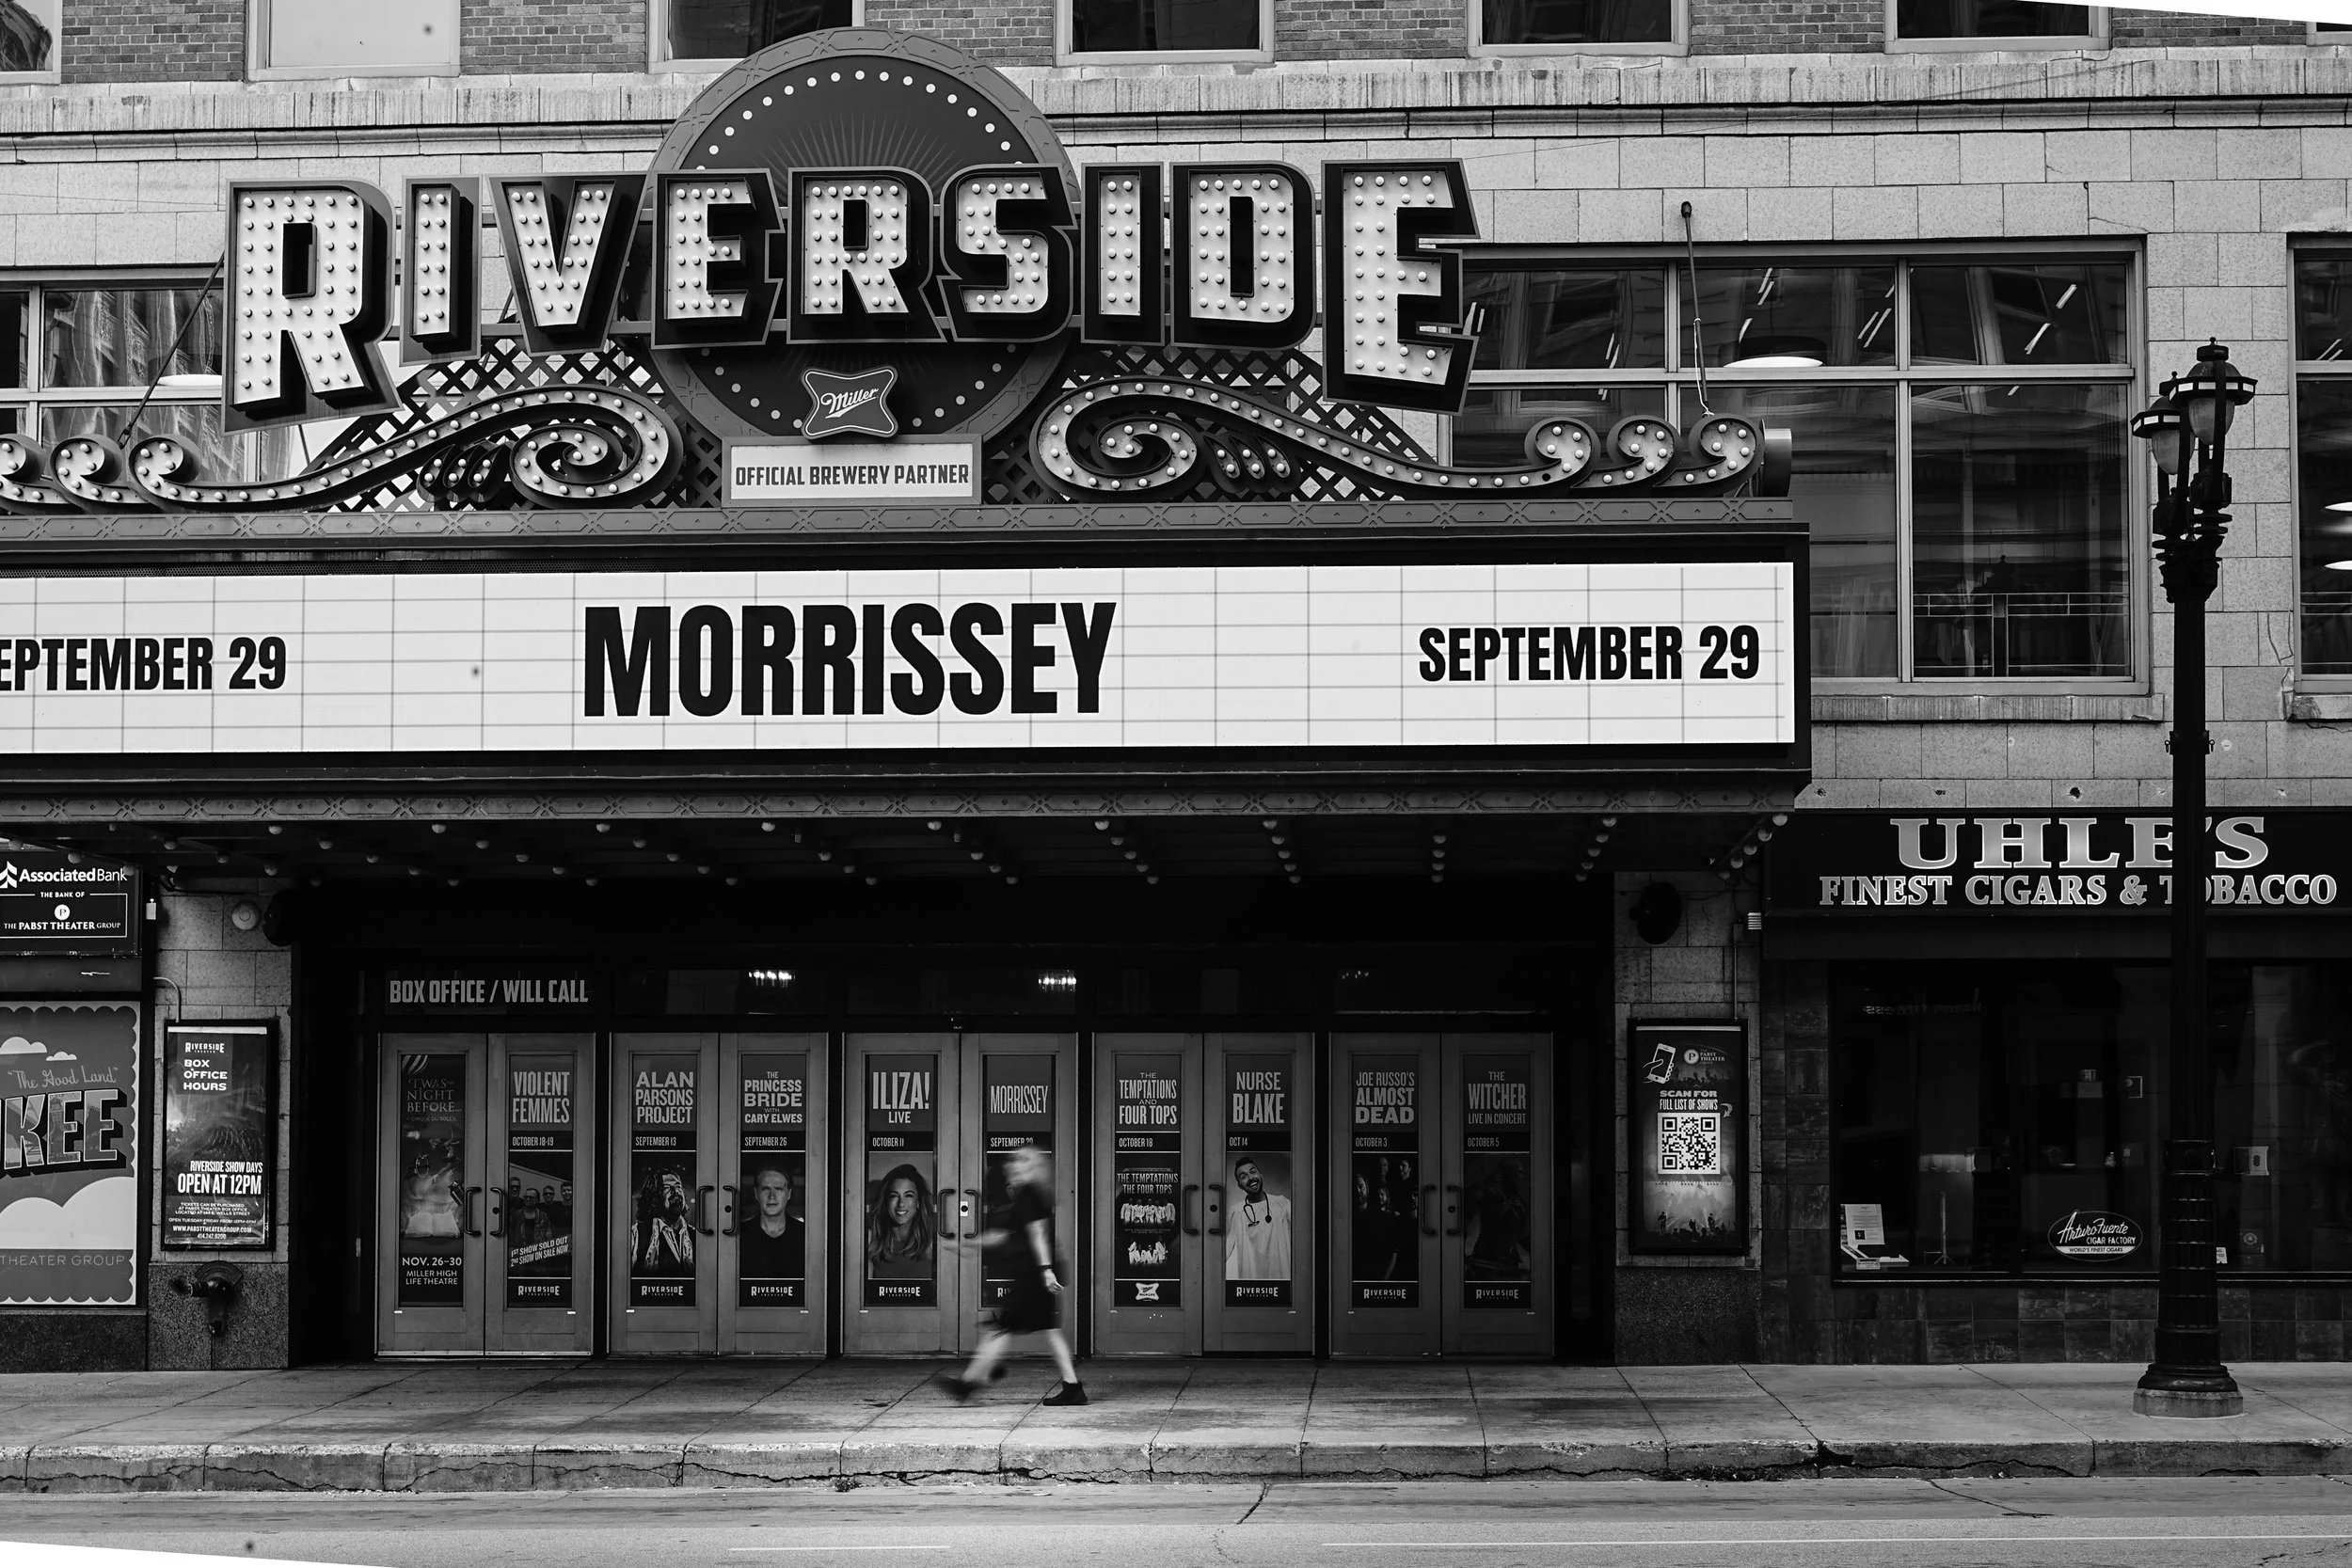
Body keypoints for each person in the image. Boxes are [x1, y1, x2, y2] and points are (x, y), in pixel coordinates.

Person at [938, 1145, 1084, 1406]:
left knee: (1001, 1328)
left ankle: (969, 1383)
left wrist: (1045, 1271)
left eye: (1023, 1159)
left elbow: (1038, 1233)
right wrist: (970, 1245)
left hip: (1034, 1274)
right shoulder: (1028, 1194)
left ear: (1035, 1166)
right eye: (1015, 1159)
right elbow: (1005, 1234)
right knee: (1050, 1330)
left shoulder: (1029, 1193)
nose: (1015, 1163)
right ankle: (1072, 1387)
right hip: (1039, 1273)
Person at [1224, 1156, 1292, 1281]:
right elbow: (1225, 1248)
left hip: (1282, 1281)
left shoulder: (1282, 1204)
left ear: (1261, 1175)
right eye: (1243, 1176)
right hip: (1253, 1284)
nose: (1250, 1178)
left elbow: (1304, 1234)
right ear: (1239, 1186)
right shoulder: (1237, 1212)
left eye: (1253, 1172)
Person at [866, 1163, 935, 1279]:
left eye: (908, 1195)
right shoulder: (871, 1242)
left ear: (918, 1202)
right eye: (894, 1196)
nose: (901, 1204)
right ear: (885, 1201)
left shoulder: (931, 1243)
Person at [738, 1163, 805, 1280]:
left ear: (789, 1194)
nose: (772, 1196)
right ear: (756, 1193)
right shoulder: (739, 1235)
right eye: (765, 1189)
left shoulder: (806, 1235)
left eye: (778, 1189)